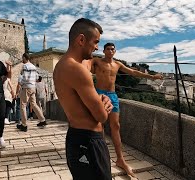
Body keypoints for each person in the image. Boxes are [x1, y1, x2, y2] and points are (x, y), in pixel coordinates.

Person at [89, 42, 163, 177]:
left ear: (115, 51)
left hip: (113, 95)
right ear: (104, 51)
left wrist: (152, 77)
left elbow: (133, 72)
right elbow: (85, 67)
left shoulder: (117, 64)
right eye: (108, 49)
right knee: (99, 125)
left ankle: (120, 159)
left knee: (115, 125)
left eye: (113, 49)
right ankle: (99, 156)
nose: (111, 51)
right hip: (99, 94)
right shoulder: (97, 61)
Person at [53, 18, 113, 180]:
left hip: (75, 138)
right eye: (95, 42)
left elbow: (78, 98)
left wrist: (97, 97)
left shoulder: (60, 66)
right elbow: (101, 116)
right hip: (90, 143)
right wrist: (104, 104)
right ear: (81, 40)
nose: (97, 47)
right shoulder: (77, 69)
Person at [16, 53, 46, 132]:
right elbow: (37, 77)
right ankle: (42, 120)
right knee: (34, 104)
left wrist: (20, 83)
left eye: (22, 58)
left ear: (25, 58)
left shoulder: (25, 66)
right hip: (33, 87)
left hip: (26, 87)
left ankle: (24, 125)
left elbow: (25, 78)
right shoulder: (33, 66)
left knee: (23, 105)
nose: (22, 59)